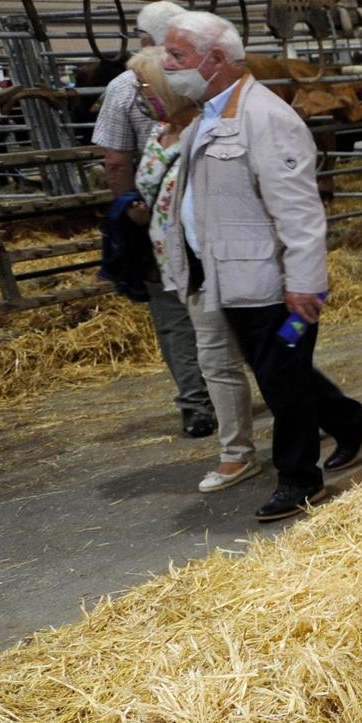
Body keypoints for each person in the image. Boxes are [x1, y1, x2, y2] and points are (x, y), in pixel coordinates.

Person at [163, 10, 362, 522]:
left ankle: (300, 479)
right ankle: (351, 421)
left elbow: (300, 213)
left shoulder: (268, 119)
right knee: (280, 368)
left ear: (215, 59)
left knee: (281, 379)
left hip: (273, 284)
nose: (168, 65)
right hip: (231, 276)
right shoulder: (209, 116)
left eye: (177, 56)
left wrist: (305, 284)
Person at [126, 47, 260, 496]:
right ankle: (242, 450)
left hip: (221, 260)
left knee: (255, 354)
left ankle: (242, 453)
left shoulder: (210, 129)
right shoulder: (159, 132)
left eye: (147, 85)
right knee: (224, 357)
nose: (142, 94)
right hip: (183, 265)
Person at [96, 0, 214, 439]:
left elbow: (114, 159)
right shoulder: (201, 75)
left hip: (156, 220)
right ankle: (256, 388)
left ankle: (196, 405)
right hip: (202, 215)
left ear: (145, 38)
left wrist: (129, 208)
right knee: (222, 310)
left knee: (173, 316)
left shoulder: (126, 85)